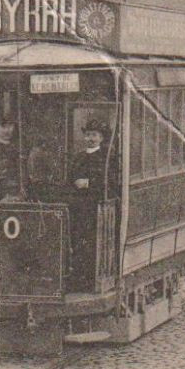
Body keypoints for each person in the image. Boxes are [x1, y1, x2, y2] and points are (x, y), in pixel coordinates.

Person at [63, 123, 116, 287]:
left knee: (92, 243)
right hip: (77, 207)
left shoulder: (107, 157)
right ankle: (77, 277)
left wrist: (89, 183)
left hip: (95, 207)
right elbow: (69, 178)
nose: (90, 138)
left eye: (94, 135)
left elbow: (111, 181)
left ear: (101, 138)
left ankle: (90, 279)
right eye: (88, 135)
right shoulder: (78, 156)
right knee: (77, 242)